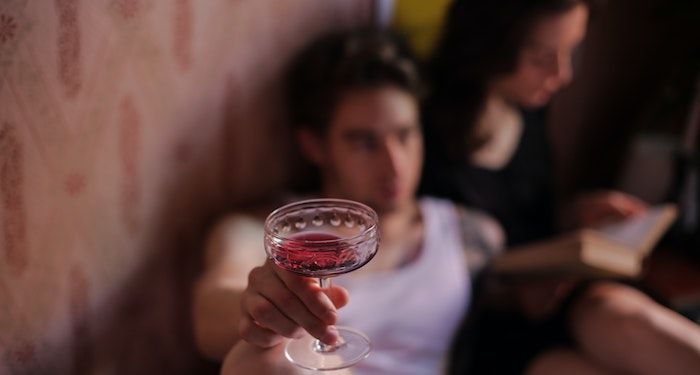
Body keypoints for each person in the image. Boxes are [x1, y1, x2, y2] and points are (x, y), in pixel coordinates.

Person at [191, 29, 503, 374]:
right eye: (365, 143)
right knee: (274, 357)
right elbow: (209, 318)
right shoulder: (263, 233)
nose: (395, 165)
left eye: (405, 135)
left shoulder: (469, 234)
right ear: (315, 146)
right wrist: (257, 308)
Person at [421, 0, 700, 374]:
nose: (562, 74)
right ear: (488, 46)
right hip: (488, 320)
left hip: (563, 289)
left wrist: (576, 213)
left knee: (628, 322)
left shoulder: (528, 108)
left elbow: (527, 214)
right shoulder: (421, 133)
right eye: (542, 57)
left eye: (571, 51)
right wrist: (508, 296)